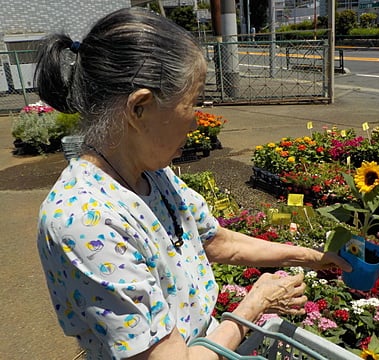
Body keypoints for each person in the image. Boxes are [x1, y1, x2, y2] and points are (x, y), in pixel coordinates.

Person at [35, 7, 351, 360]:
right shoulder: (84, 222)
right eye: (193, 103)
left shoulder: (151, 173)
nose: (198, 121)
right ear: (140, 108)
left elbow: (214, 240)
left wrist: (309, 257)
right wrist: (255, 304)